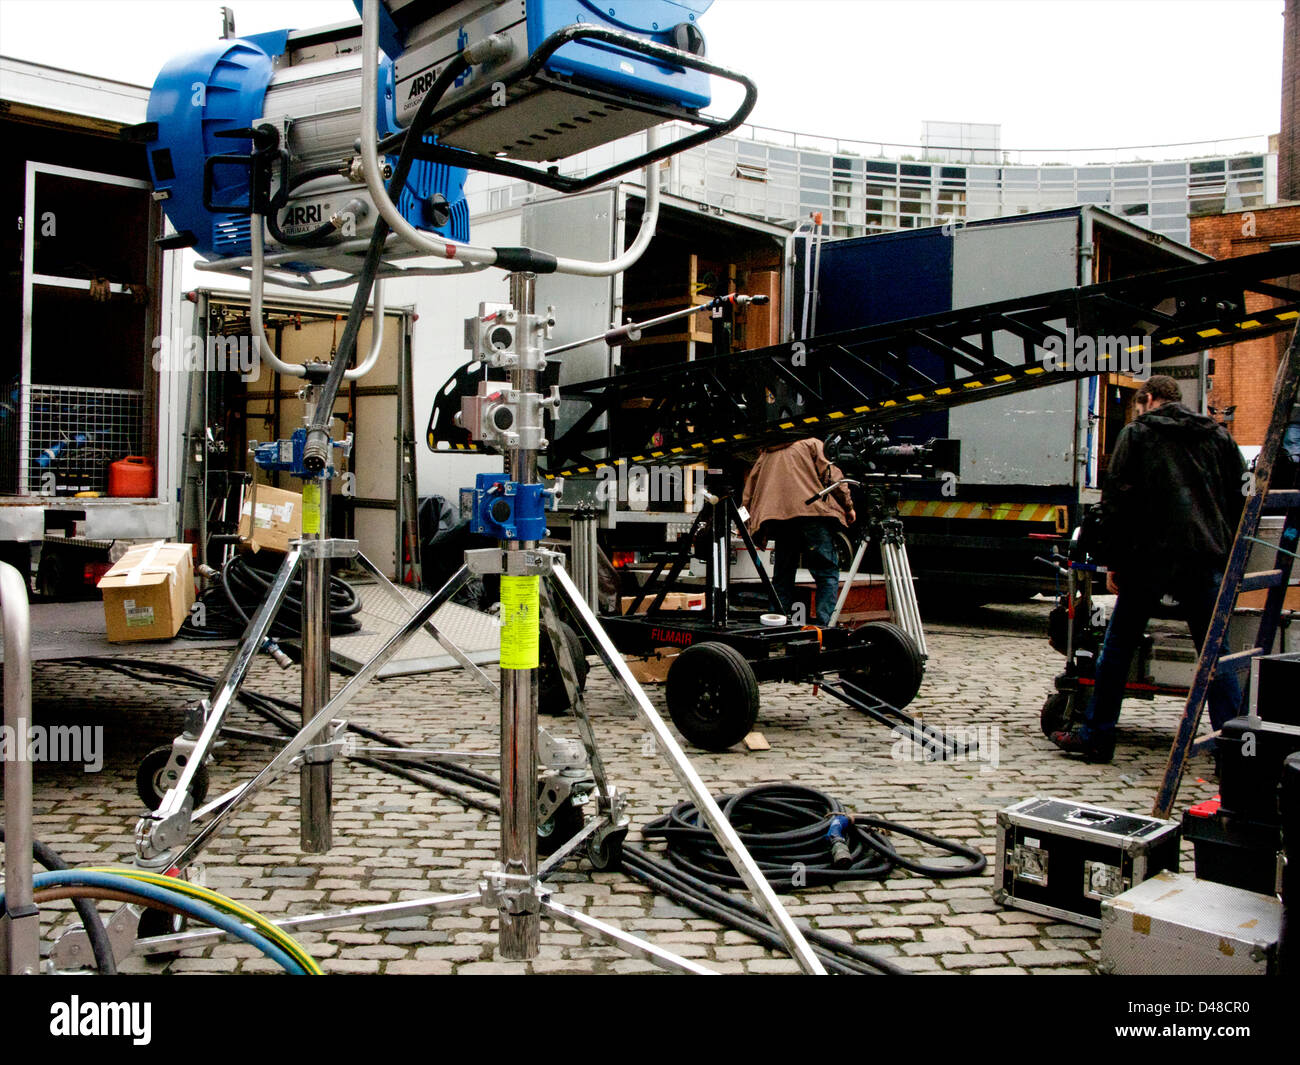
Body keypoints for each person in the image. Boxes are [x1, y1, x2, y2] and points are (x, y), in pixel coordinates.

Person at [1052, 375, 1246, 763]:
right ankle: (1236, 750)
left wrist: (1114, 563)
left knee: (1119, 647)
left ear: (1150, 399)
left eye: (1139, 405)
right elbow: (1241, 493)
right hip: (1202, 553)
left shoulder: (1137, 434)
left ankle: (1097, 736)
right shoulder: (1217, 436)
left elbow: (1117, 503)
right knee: (1215, 653)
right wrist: (1225, 549)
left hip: (1148, 558)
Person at [742, 438, 855, 626]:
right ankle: (824, 625)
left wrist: (746, 523)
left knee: (783, 575)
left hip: (782, 522)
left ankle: (777, 624)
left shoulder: (767, 453)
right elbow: (832, 476)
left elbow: (749, 493)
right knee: (826, 571)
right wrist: (848, 505)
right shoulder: (811, 444)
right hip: (812, 516)